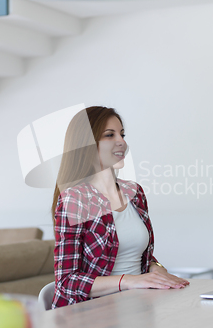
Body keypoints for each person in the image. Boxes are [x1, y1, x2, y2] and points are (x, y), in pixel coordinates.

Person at [51, 106, 189, 308]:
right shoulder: (75, 199)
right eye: (110, 135)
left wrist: (154, 268)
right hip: (92, 316)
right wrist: (131, 280)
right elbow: (66, 282)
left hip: (138, 306)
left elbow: (136, 255)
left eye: (122, 134)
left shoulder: (135, 192)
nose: (122, 142)